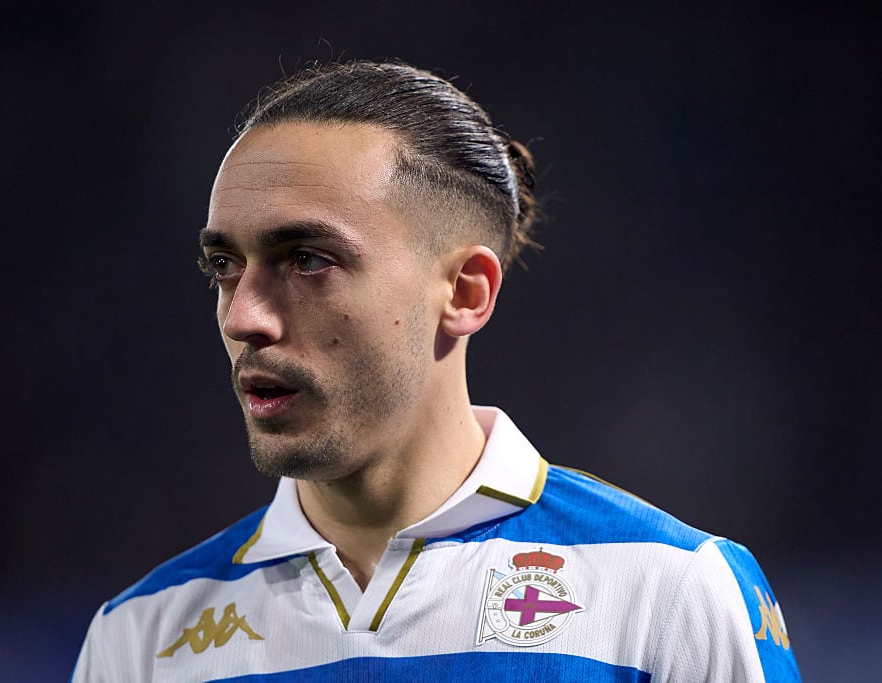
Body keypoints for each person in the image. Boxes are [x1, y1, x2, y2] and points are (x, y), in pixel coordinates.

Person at [71, 60, 800, 682]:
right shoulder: (140, 639)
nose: (244, 317)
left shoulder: (670, 592)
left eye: (307, 260)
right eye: (225, 266)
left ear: (465, 293)